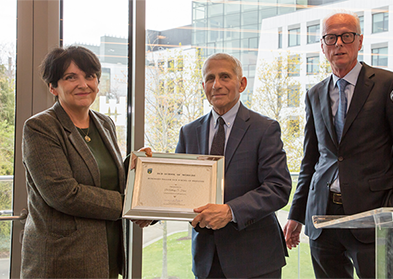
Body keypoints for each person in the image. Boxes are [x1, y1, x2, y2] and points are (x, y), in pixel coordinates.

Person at [283, 11, 393, 279]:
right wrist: (296, 213)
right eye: (331, 37)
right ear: (322, 46)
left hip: (372, 216)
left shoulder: (388, 84)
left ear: (359, 41)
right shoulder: (314, 94)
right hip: (322, 218)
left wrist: (391, 211)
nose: (339, 43)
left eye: (346, 36)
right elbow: (310, 160)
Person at [21, 46, 150, 279]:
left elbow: (100, 177)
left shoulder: (104, 123)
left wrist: (133, 165)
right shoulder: (40, 127)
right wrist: (129, 206)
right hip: (63, 262)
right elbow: (64, 193)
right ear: (53, 86)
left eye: (90, 76)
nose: (83, 84)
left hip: (106, 255)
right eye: (71, 77)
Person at [175, 53, 292, 279]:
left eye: (225, 76)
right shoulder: (189, 132)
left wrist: (230, 212)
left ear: (242, 83)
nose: (216, 85)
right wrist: (148, 206)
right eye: (210, 78)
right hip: (206, 261)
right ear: (203, 86)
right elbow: (178, 186)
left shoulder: (265, 129)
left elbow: (278, 188)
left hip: (256, 261)